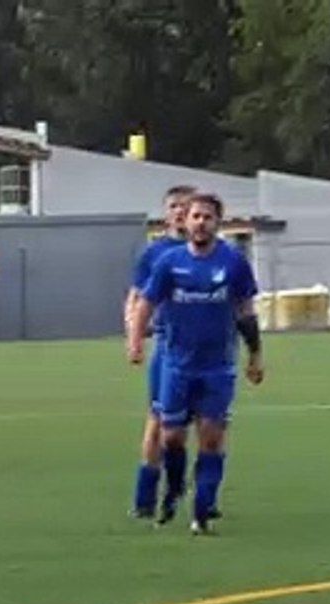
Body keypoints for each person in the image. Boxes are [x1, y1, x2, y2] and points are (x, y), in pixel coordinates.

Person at [127, 193, 264, 535]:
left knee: (211, 438)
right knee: (171, 437)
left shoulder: (233, 262)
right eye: (195, 216)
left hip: (218, 367)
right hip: (176, 364)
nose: (201, 222)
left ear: (218, 223)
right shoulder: (168, 262)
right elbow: (145, 303)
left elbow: (246, 312)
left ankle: (201, 513)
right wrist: (135, 340)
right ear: (185, 222)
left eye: (208, 217)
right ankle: (173, 490)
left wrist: (256, 355)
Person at [125, 185, 196, 520]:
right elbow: (136, 299)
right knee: (157, 421)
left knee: (205, 425)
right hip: (169, 346)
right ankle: (145, 497)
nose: (181, 212)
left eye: (187, 206)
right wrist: (134, 338)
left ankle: (194, 489)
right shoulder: (155, 254)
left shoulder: (211, 251)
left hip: (207, 351)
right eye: (174, 206)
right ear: (166, 213)